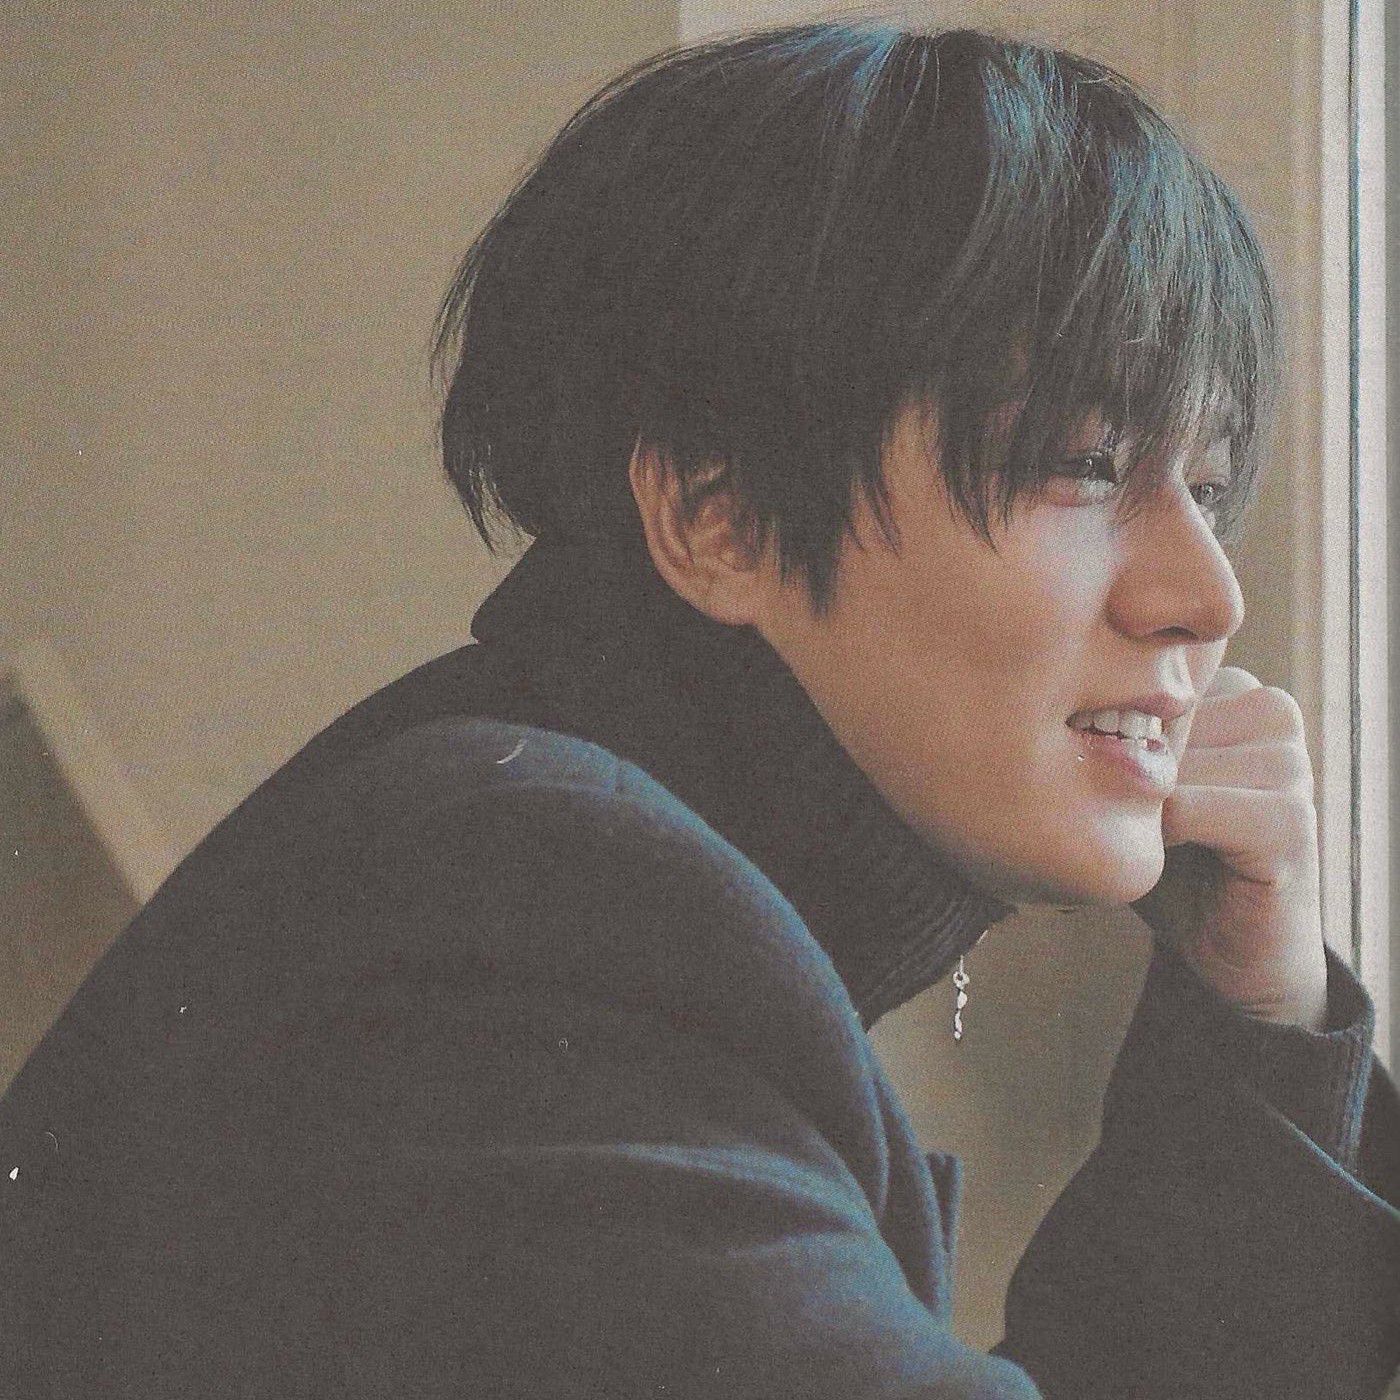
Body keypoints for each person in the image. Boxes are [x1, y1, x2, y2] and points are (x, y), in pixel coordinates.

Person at [2, 17, 1397, 1399]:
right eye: (1083, 462)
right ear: (715, 517)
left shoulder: (553, 860)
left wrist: (1260, 1016)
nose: (1207, 594)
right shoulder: (533, 907)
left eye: (1206, 488)